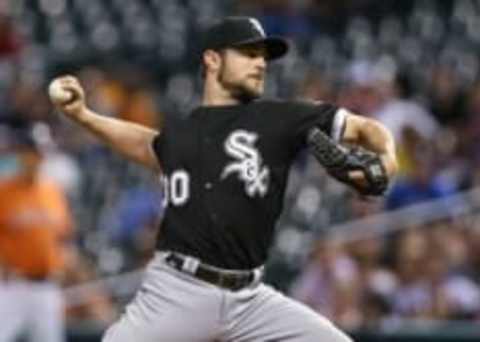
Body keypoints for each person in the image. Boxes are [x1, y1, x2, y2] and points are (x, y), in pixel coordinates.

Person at [49, 16, 397, 342]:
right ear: (213, 60)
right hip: (176, 291)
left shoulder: (282, 118)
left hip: (250, 298)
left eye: (263, 56)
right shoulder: (180, 133)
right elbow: (145, 144)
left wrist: (389, 160)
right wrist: (84, 115)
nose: (260, 63)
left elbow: (368, 129)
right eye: (248, 53)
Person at [0, 132, 73, 342]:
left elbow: (64, 235)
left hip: (47, 286)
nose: (35, 158)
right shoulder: (4, 192)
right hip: (13, 285)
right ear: (21, 154)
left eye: (39, 153)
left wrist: (63, 260)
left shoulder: (53, 192)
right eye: (30, 152)